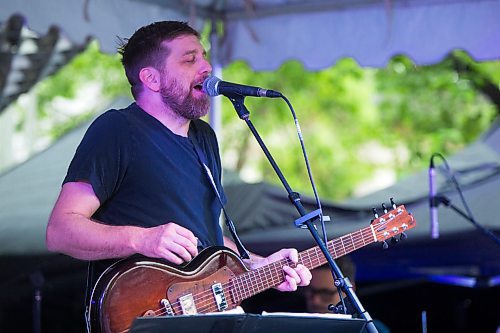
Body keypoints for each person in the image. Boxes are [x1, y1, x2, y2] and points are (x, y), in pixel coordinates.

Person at [46, 20, 311, 311]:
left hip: (206, 313)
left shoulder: (204, 137)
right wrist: (142, 239)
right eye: (190, 59)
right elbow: (60, 230)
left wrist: (258, 264)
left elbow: (206, 240)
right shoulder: (117, 130)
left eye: (204, 56)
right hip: (143, 312)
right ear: (152, 79)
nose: (207, 67)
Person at [304, 256, 390, 332]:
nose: (316, 301)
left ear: (350, 289)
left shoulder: (370, 329)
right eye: (311, 291)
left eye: (325, 293)